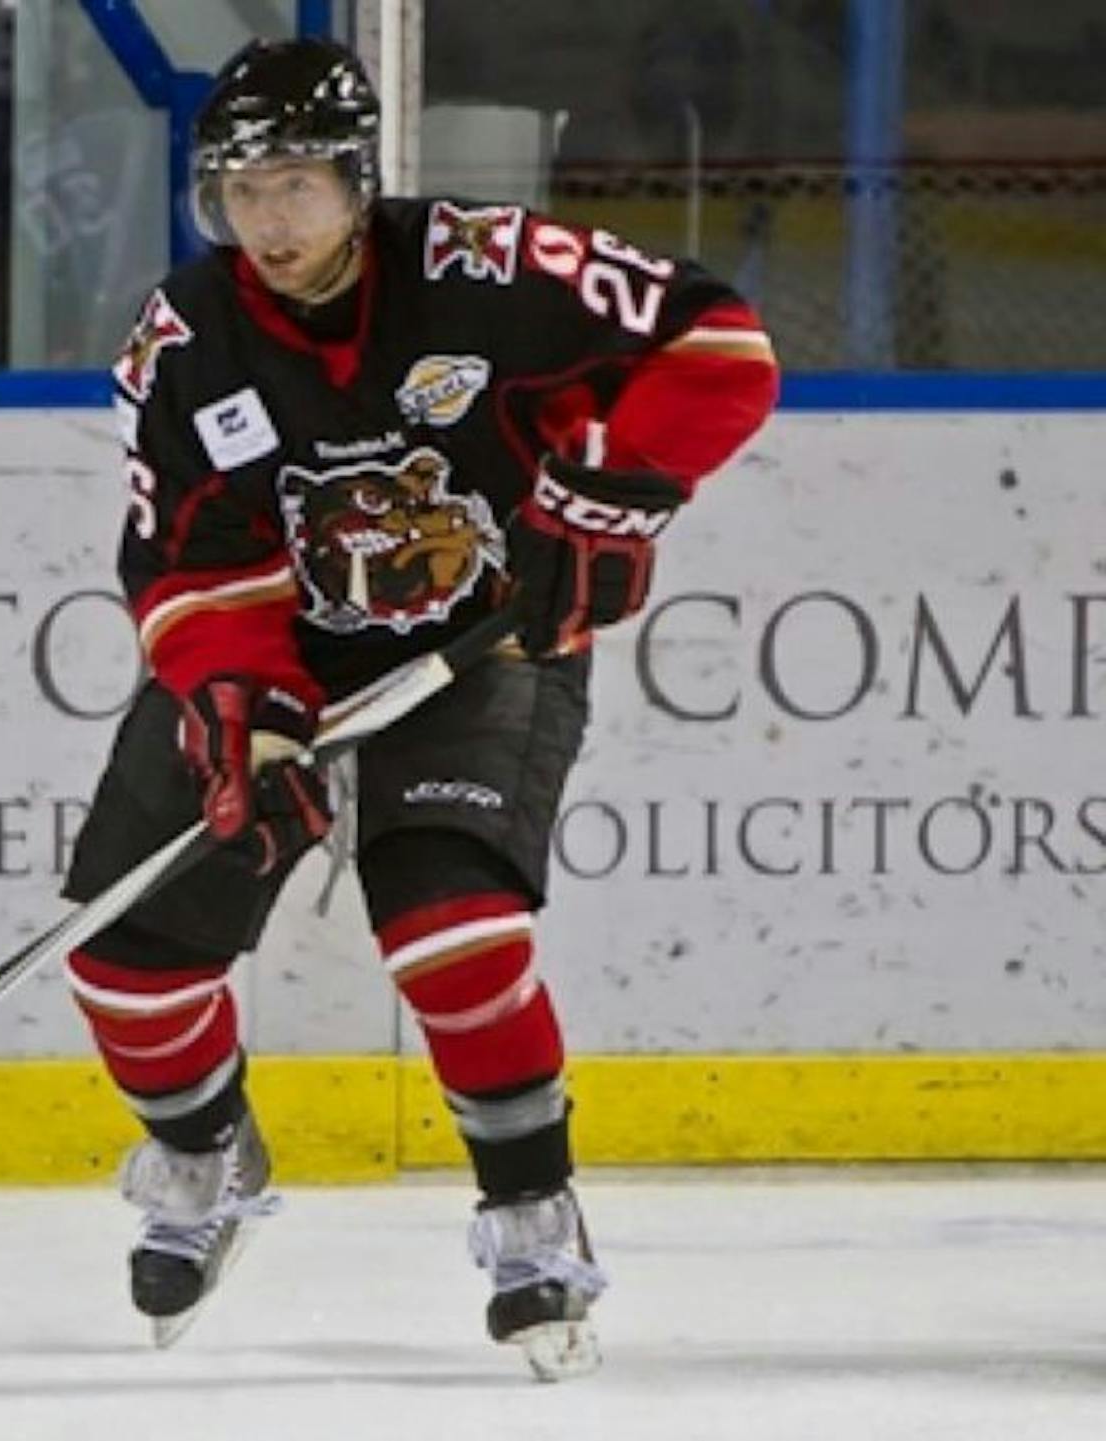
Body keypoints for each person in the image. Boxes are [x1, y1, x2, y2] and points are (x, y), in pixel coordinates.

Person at [61, 36, 778, 1378]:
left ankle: (530, 1216)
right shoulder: (185, 342)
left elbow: (719, 342)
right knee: (122, 961)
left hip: (482, 648)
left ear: (359, 180)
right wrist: (244, 703)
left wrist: (614, 487)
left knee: (456, 924)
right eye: (242, 190)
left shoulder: (484, 267)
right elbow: (184, 561)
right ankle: (206, 1157)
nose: (269, 220)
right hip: (287, 664)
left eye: (298, 186)